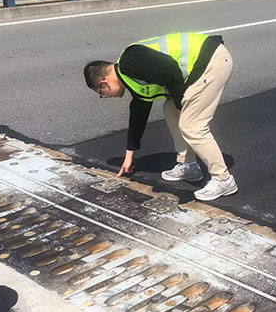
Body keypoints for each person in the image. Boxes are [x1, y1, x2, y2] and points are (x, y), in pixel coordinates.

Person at [83, 32, 237, 202]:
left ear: (104, 83)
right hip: (202, 65)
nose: (107, 97)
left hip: (211, 61)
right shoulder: (129, 75)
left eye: (102, 94)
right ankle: (189, 165)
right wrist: (129, 155)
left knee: (192, 125)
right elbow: (138, 112)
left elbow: (170, 69)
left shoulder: (130, 61)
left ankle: (223, 179)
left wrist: (180, 105)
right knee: (170, 108)